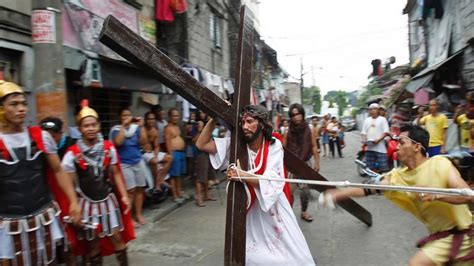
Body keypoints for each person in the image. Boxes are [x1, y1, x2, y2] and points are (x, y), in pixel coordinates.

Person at [320, 124, 473, 265]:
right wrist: (337, 194)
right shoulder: (397, 176)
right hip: (441, 238)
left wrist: (437, 196)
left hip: (465, 235)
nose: (396, 147)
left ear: (416, 147)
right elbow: (368, 189)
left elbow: (467, 196)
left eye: (401, 142)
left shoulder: (439, 164)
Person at [196, 105, 315, 265]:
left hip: (273, 210)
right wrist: (214, 116)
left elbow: (273, 181)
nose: (245, 126)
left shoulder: (274, 146)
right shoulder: (236, 146)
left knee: (297, 258)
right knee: (252, 257)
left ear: (261, 124)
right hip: (249, 213)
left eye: (250, 121)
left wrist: (242, 175)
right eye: (243, 122)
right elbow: (201, 144)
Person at [0, 80, 80, 265]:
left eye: (23, 104)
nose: (22, 109)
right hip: (7, 221)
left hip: (41, 214)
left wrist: (73, 202)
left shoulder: (40, 136)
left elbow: (58, 169)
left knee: (48, 259)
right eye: (14, 104)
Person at [61, 102, 134, 265]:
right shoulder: (72, 153)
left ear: (99, 126)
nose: (90, 128)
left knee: (116, 237)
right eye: (86, 125)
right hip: (87, 204)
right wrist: (74, 204)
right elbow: (69, 182)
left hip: (108, 202)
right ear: (80, 128)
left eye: (93, 124)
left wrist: (124, 196)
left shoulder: (109, 148)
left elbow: (116, 174)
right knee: (93, 243)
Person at [111, 107, 148, 226]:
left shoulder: (135, 129)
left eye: (129, 115)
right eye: (124, 115)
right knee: (130, 191)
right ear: (120, 117)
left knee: (140, 189)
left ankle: (138, 214)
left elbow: (143, 142)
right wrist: (123, 126)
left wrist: (141, 126)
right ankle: (129, 218)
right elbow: (119, 142)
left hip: (137, 161)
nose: (127, 117)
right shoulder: (116, 129)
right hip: (124, 163)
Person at [284, 103, 320, 222]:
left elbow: (314, 146)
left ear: (302, 114)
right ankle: (287, 213)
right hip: (291, 165)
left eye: (298, 114)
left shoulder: (310, 129)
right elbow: (282, 148)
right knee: (288, 191)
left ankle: (304, 212)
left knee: (305, 191)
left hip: (305, 164)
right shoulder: (288, 130)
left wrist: (317, 163)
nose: (296, 117)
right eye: (293, 115)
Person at [143, 111, 172, 193]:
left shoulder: (155, 131)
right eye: (149, 119)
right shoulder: (142, 129)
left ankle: (161, 179)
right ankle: (157, 185)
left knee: (169, 158)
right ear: (145, 120)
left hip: (151, 152)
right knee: (155, 161)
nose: (151, 121)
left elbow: (156, 146)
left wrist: (155, 155)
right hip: (142, 153)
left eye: (152, 119)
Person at [361, 103, 390, 172]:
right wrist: (365, 139)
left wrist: (378, 139)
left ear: (378, 110)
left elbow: (386, 132)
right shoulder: (366, 120)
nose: (373, 111)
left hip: (380, 148)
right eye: (371, 109)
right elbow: (363, 132)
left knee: (383, 168)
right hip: (370, 147)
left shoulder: (382, 119)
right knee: (370, 167)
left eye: (375, 109)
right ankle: (373, 180)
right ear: (369, 111)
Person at [165, 107, 187, 202]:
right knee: (174, 176)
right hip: (174, 153)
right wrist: (171, 155)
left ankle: (179, 192)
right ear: (170, 117)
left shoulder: (177, 127)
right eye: (174, 116)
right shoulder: (168, 128)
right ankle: (175, 195)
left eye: (177, 115)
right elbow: (168, 142)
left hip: (181, 153)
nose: (176, 117)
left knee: (180, 175)